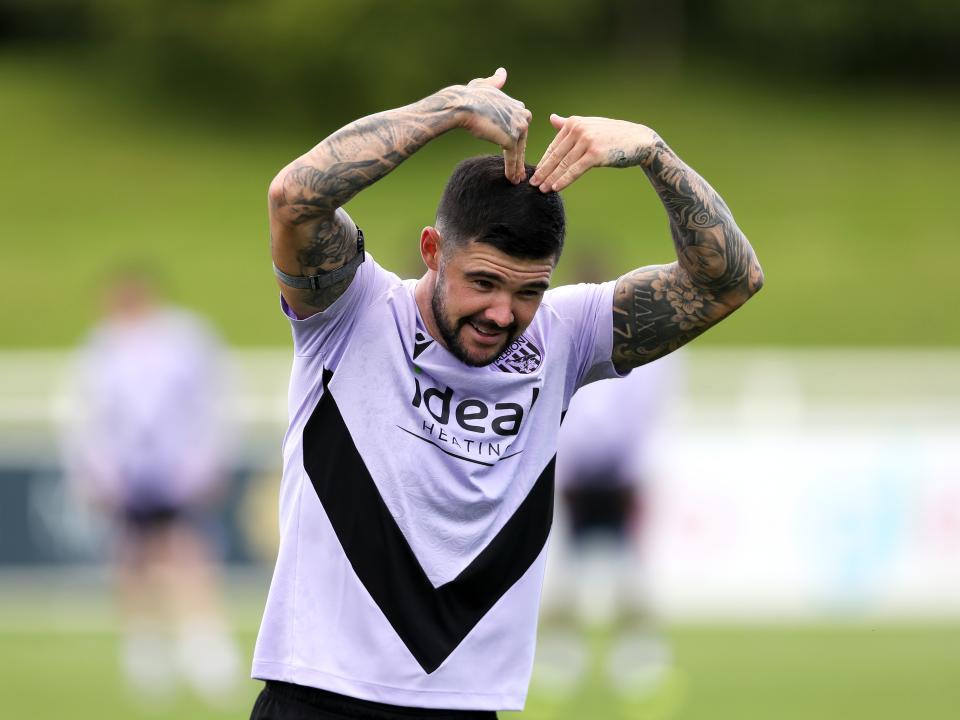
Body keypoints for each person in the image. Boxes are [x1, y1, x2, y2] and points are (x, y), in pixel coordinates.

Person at [251, 66, 763, 719]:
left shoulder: (565, 337)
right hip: (320, 695)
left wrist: (656, 156)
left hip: (469, 706)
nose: (502, 313)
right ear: (432, 250)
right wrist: (444, 109)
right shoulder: (349, 312)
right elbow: (294, 198)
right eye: (484, 282)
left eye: (528, 290)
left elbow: (728, 282)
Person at [62, 268, 241, 706]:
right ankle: (146, 652)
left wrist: (207, 461)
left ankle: (204, 648)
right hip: (126, 474)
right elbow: (86, 417)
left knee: (186, 552)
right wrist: (95, 471)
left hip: (177, 469)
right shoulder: (101, 348)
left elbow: (213, 401)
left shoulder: (186, 340)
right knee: (132, 558)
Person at [535, 348, 682, 699]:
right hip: (574, 476)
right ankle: (559, 658)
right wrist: (564, 469)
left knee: (630, 577)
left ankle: (639, 660)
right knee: (564, 576)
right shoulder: (570, 332)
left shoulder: (651, 349)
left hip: (623, 478)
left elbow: (649, 411)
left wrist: (636, 471)